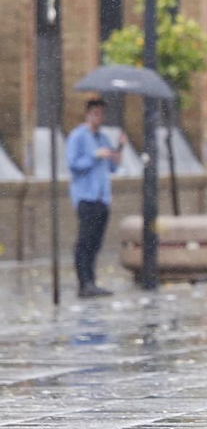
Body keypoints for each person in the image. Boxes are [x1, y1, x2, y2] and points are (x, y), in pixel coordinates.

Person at [65, 97, 123, 298]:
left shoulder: (103, 138)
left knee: (96, 242)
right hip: (85, 196)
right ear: (88, 113)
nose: (100, 117)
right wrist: (94, 156)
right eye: (96, 113)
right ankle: (84, 282)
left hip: (102, 197)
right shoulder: (78, 136)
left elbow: (113, 167)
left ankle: (92, 280)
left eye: (102, 113)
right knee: (84, 241)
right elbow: (73, 164)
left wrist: (118, 151)